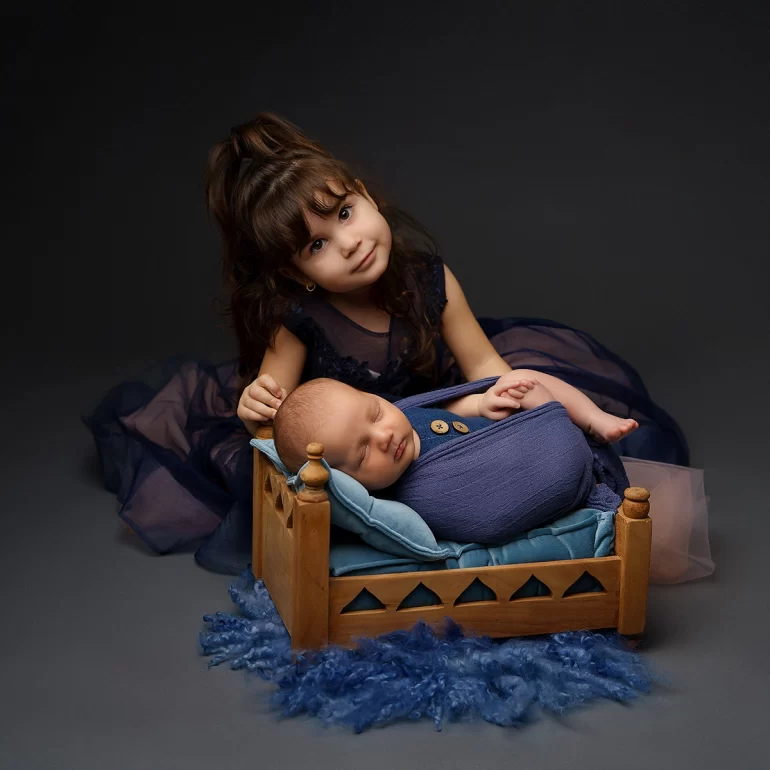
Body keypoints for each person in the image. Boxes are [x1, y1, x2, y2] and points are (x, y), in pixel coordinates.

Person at [84, 111, 693, 575]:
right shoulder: (300, 318)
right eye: (317, 245)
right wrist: (256, 408)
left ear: (364, 194)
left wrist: (513, 402)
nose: (347, 243)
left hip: (431, 415)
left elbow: (484, 368)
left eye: (345, 214)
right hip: (356, 446)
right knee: (320, 498)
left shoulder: (430, 279)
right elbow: (280, 423)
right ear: (298, 274)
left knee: (537, 416)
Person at [272, 375, 631, 542]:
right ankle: (570, 429)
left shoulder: (401, 417)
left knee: (520, 376)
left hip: (503, 426)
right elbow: (487, 515)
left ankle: (592, 418)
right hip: (531, 453)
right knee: (538, 397)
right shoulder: (419, 495)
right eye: (363, 452)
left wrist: (483, 403)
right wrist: (546, 419)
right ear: (346, 482)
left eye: (376, 412)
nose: (385, 437)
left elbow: (444, 408)